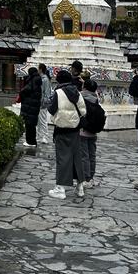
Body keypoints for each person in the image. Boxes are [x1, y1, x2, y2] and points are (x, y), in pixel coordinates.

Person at [47, 69, 87, 200]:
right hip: (75, 129)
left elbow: (51, 109)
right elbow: (83, 110)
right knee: (76, 157)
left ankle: (61, 188)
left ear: (58, 80)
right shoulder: (77, 92)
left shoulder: (58, 93)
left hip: (62, 128)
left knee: (63, 158)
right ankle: (80, 186)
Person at [80, 78, 105, 186]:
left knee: (84, 156)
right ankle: (91, 176)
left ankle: (86, 178)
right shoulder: (96, 98)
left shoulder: (80, 97)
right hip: (93, 131)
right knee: (92, 155)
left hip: (82, 130)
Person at [19, 67, 42, 147]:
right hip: (34, 106)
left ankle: (30, 142)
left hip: (30, 106)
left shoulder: (33, 81)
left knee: (29, 125)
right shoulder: (37, 80)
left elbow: (25, 90)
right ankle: (32, 141)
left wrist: (21, 94)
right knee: (31, 125)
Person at [37, 63, 53, 144]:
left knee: (43, 121)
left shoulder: (45, 79)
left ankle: (45, 137)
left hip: (43, 103)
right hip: (39, 102)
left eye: (38, 68)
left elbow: (47, 93)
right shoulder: (41, 78)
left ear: (41, 69)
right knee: (39, 121)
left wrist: (44, 102)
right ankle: (39, 136)